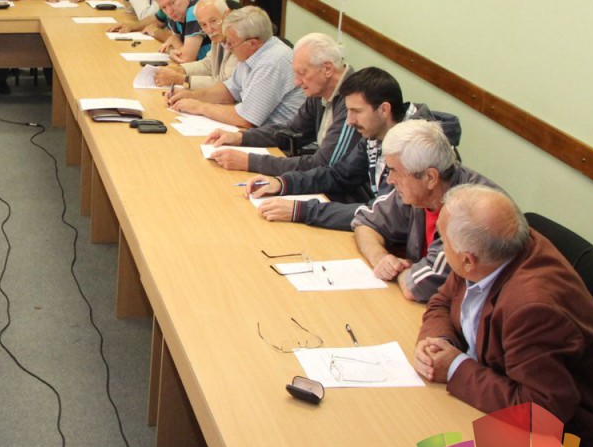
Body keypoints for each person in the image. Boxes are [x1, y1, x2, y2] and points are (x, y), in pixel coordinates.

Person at [415, 184, 593, 447]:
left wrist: (455, 367)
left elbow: (539, 412)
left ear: (468, 260)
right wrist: (439, 342)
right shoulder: (490, 251)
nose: (440, 244)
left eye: (442, 240)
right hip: (491, 407)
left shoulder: (533, 308)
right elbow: (442, 301)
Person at [242, 66, 461, 229]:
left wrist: (302, 210)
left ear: (384, 110)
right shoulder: (377, 133)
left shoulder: (414, 147)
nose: (349, 121)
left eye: (356, 111)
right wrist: (283, 183)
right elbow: (338, 175)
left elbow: (382, 213)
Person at [352, 119, 497, 301]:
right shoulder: (418, 191)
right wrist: (381, 258)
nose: (390, 180)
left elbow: (419, 286)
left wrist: (399, 271)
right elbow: (365, 222)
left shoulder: (470, 212)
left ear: (430, 177)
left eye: (394, 171)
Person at [207, 32, 356, 174]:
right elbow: (290, 131)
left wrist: (250, 162)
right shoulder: (321, 90)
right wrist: (241, 138)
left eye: (302, 73)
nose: (297, 82)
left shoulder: (353, 103)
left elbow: (323, 166)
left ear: (327, 69)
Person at [169, 5, 303, 128]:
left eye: (231, 43)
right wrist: (191, 95)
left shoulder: (271, 63)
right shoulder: (251, 54)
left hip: (284, 141)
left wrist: (200, 107)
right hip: (264, 133)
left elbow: (246, 119)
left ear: (253, 43)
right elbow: (229, 91)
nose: (228, 48)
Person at [152, 0, 237, 90]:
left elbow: (225, 85)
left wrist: (181, 79)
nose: (209, 29)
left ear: (227, 15)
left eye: (213, 21)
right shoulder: (219, 36)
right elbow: (208, 64)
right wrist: (180, 69)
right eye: (204, 25)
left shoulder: (238, 41)